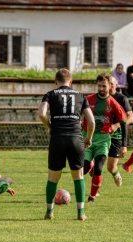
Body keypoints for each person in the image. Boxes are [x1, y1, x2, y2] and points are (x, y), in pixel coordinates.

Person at [38, 68, 95, 221]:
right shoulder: (80, 96)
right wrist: (88, 138)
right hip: (76, 139)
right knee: (79, 176)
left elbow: (41, 113)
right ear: (71, 82)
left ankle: (49, 212)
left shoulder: (50, 94)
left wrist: (50, 127)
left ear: (56, 82)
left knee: (53, 177)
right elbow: (92, 122)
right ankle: (81, 213)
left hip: (57, 139)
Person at [82, 73, 127, 203]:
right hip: (87, 138)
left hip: (103, 140)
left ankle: (92, 197)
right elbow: (77, 115)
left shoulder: (113, 103)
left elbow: (124, 123)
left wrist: (124, 145)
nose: (101, 89)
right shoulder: (88, 100)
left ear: (110, 86)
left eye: (104, 86)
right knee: (83, 170)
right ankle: (89, 164)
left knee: (99, 168)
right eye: (99, 86)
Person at [107, 76, 133, 183]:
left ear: (116, 85)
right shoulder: (100, 98)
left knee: (111, 167)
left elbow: (131, 117)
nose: (109, 86)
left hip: (116, 135)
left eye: (112, 83)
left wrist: (117, 125)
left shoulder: (122, 99)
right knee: (93, 165)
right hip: (101, 135)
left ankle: (116, 173)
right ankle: (95, 191)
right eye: (108, 83)